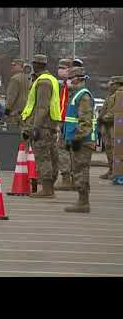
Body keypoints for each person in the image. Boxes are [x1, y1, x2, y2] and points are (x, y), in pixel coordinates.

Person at [21, 54, 61, 198]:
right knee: (51, 156)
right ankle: (49, 188)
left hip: (42, 125)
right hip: (50, 124)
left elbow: (42, 107)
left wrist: (35, 127)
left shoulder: (43, 82)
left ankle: (47, 189)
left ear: (36, 65)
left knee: (43, 157)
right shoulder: (51, 79)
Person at [63, 67, 97, 213]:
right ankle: (81, 200)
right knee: (78, 170)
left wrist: (77, 138)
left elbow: (85, 121)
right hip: (78, 140)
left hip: (83, 141)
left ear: (78, 79)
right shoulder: (77, 94)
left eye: (70, 78)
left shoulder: (83, 96)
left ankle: (83, 202)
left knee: (81, 170)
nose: (68, 81)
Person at [54, 58, 75, 191]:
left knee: (64, 149)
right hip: (66, 121)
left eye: (63, 68)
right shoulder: (66, 85)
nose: (60, 70)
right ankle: (71, 178)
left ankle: (67, 178)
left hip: (69, 123)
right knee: (69, 150)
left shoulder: (71, 85)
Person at [98, 76, 123, 179]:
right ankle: (111, 169)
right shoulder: (110, 95)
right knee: (108, 148)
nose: (109, 85)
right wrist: (100, 118)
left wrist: (103, 118)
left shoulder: (120, 94)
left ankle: (117, 171)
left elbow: (116, 111)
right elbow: (105, 108)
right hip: (107, 126)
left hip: (116, 126)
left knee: (115, 149)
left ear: (117, 84)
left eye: (111, 84)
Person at [5, 58, 30, 126]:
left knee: (13, 134)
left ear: (20, 66)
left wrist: (7, 110)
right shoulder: (29, 78)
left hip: (15, 114)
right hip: (26, 113)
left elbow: (11, 96)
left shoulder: (15, 79)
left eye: (14, 65)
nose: (12, 67)